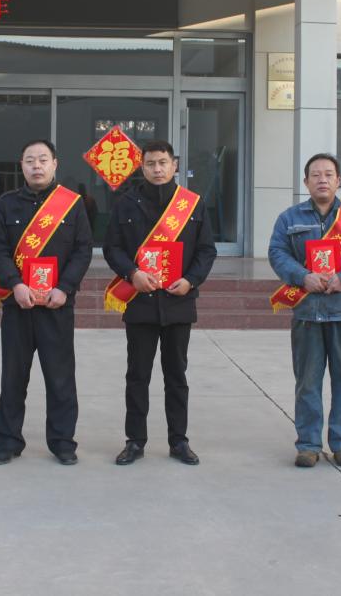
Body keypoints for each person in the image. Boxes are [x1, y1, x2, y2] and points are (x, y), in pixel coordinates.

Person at [103, 140, 216, 466]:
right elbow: (112, 248)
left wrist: (191, 280)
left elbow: (206, 250)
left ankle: (178, 441)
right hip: (140, 301)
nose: (157, 169)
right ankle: (135, 441)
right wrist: (132, 273)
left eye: (163, 163)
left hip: (178, 302)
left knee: (176, 376)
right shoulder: (126, 204)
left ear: (174, 165)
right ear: (142, 166)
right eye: (151, 163)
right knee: (137, 376)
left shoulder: (192, 205)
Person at [0, 140, 93, 466]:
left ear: (55, 163)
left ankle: (62, 442)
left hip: (57, 305)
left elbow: (83, 250)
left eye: (43, 159)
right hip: (18, 304)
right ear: (22, 165)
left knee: (60, 378)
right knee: (13, 377)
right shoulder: (6, 204)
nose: (36, 165)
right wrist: (15, 284)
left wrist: (65, 288)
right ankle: (8, 441)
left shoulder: (72, 204)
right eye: (30, 160)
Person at [268, 153, 341, 468]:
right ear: (306, 182)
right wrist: (302, 276)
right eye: (315, 175)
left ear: (338, 180)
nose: (322, 180)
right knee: (307, 381)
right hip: (307, 312)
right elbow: (277, 252)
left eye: (328, 174)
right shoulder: (290, 218)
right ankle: (308, 445)